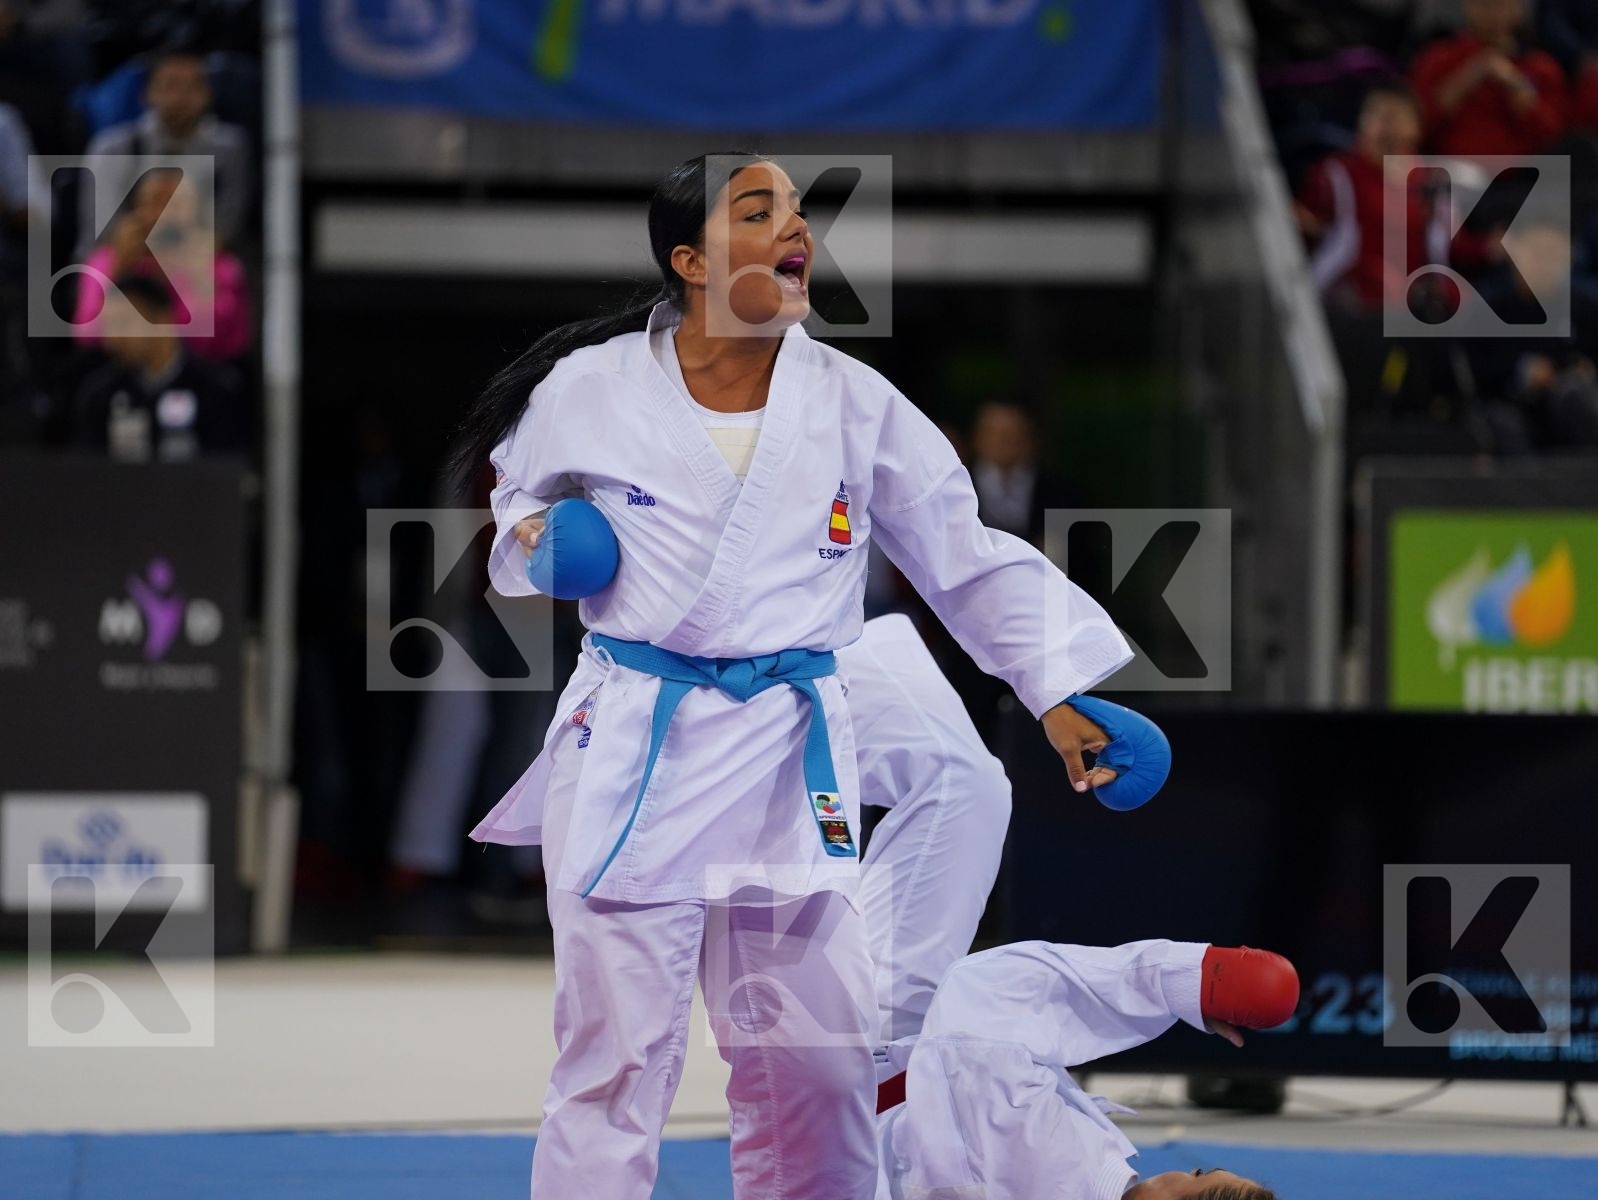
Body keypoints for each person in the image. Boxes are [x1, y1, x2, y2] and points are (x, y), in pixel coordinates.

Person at [447, 151, 1135, 1200]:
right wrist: (537, 534)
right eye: (758, 210)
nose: (795, 228)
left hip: (785, 757)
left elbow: (961, 550)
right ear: (689, 260)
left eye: (798, 211)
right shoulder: (587, 389)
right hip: (638, 742)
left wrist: (1052, 687)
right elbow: (510, 501)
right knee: (615, 1061)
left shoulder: (851, 401)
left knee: (813, 1064)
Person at [839, 619, 1293, 1200]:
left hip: (854, 1051)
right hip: (858, 1089)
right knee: (956, 789)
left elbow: (985, 1008)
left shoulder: (1064, 1168)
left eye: (1200, 1177)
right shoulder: (1086, 1175)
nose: (1188, 1169)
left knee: (958, 787)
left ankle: (773, 662)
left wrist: (1187, 981)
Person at [79, 47, 252, 254]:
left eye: (192, 86)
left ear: (209, 94)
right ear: (147, 93)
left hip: (197, 263)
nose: (181, 98)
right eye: (170, 85)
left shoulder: (230, 149)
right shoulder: (112, 147)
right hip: (123, 262)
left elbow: (227, 226)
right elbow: (102, 230)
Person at [72, 167, 253, 362]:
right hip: (119, 372)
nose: (163, 215)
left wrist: (201, 280)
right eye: (153, 202)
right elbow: (87, 335)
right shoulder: (105, 261)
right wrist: (119, 269)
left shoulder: (221, 265)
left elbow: (230, 342)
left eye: (174, 205)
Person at [1295, 84, 1446, 314]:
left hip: (1409, 307)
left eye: (1390, 117)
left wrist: (1488, 247)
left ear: (1414, 128)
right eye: (1371, 115)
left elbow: (1447, 247)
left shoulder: (1431, 182)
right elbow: (1307, 222)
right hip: (1348, 302)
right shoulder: (1337, 173)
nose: (1378, 125)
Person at [71, 274, 250, 459]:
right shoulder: (99, 395)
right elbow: (89, 476)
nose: (113, 339)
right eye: (108, 326)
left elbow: (229, 473)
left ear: (163, 319)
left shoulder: (216, 390)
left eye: (124, 323)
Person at [1411, 0, 1569, 158]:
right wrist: (1470, 76)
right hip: (1454, 168)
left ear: (1517, 10)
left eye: (1501, 6)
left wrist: (1515, 85)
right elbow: (1419, 123)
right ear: (1467, 7)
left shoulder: (1540, 66)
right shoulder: (1438, 58)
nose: (1492, 13)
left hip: (1524, 170)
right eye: (1483, 4)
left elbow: (1552, 133)